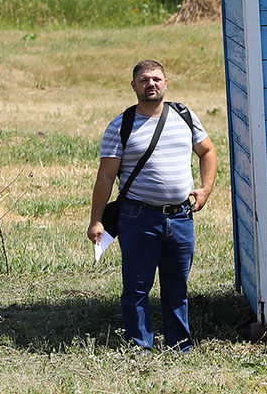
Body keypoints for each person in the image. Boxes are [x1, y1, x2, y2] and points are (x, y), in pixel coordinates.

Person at [87, 60, 216, 351]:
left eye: (156, 78)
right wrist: (96, 220)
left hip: (181, 217)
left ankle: (179, 345)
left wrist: (206, 188)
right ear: (134, 86)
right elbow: (106, 176)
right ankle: (139, 346)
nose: (151, 84)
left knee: (177, 288)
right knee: (136, 288)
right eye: (144, 79)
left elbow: (207, 150)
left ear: (166, 83)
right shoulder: (121, 125)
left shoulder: (184, 116)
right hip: (138, 217)